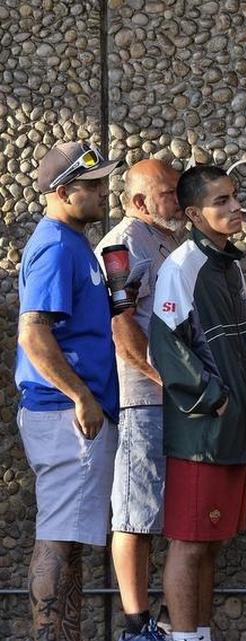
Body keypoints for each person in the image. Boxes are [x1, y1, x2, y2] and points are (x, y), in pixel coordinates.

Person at [150, 165, 246, 641]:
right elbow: (165, 344)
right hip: (201, 433)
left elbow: (243, 346)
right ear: (195, 214)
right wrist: (214, 401)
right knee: (188, 543)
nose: (235, 207)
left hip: (233, 427)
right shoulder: (181, 267)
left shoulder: (229, 265)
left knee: (212, 542)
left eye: (234, 196)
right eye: (221, 201)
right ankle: (182, 637)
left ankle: (200, 632)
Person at [16, 141, 123, 641]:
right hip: (65, 413)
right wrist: (81, 396)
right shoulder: (57, 244)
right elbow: (33, 332)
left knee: (71, 538)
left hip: (74, 410)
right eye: (93, 185)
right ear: (62, 191)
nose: (104, 191)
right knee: (59, 537)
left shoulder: (73, 241)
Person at [95, 158, 183, 640]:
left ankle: (167, 620)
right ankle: (135, 624)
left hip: (174, 401)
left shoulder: (169, 239)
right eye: (168, 192)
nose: (178, 198)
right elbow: (120, 323)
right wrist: (162, 378)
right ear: (138, 201)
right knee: (136, 510)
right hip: (142, 400)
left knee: (168, 511)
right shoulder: (123, 243)